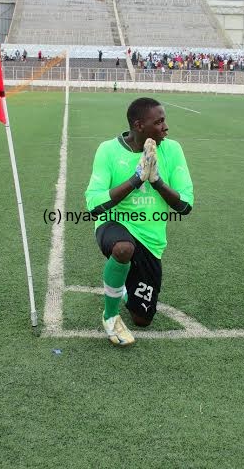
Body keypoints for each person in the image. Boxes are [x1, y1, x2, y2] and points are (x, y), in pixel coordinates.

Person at [85, 97, 193, 346]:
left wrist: (156, 181)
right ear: (139, 125)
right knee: (123, 248)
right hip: (113, 223)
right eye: (159, 122)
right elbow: (94, 205)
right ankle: (110, 317)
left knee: (142, 319)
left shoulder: (172, 149)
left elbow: (185, 206)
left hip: (151, 239)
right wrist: (137, 179)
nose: (165, 127)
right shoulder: (108, 150)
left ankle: (122, 288)